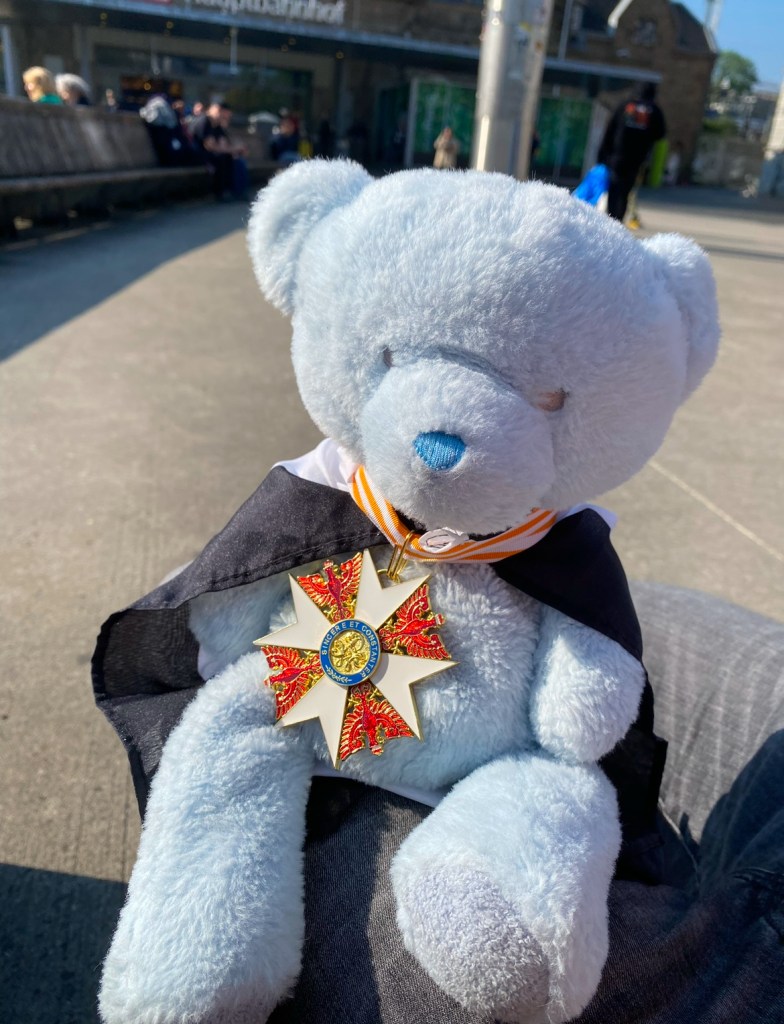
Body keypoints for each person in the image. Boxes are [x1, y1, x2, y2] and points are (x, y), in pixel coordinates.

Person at [597, 82, 665, 222]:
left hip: (617, 156)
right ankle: (619, 219)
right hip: (637, 159)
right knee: (625, 191)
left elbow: (610, 130)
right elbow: (660, 134)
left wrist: (602, 154)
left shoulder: (625, 106)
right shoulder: (654, 110)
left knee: (614, 188)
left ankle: (611, 218)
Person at [190, 101, 247, 199]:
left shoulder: (217, 125)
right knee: (222, 158)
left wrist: (235, 150)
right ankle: (221, 193)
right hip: (196, 155)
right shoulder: (204, 122)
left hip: (208, 155)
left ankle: (236, 192)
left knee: (235, 160)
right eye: (225, 114)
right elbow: (209, 146)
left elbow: (223, 144)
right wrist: (234, 150)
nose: (227, 117)